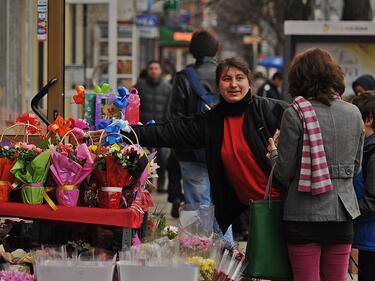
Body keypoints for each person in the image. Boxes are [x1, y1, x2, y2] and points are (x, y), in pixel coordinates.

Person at [125, 58, 287, 237]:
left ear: (249, 82)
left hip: (285, 205)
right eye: (226, 79)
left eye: (239, 78)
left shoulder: (271, 111)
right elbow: (171, 131)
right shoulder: (213, 121)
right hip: (253, 210)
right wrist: (126, 132)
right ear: (218, 85)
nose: (233, 84)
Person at [267, 48, 364, 281]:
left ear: (299, 78)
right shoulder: (354, 113)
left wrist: (273, 153)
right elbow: (357, 166)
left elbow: (285, 171)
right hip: (342, 213)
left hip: (303, 215)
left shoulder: (295, 113)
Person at [167, 30, 219, 210]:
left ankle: (199, 239)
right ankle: (224, 239)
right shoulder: (228, 75)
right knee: (223, 204)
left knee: (198, 205)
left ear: (192, 51)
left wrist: (178, 150)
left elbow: (175, 117)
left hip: (191, 151)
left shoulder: (184, 77)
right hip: (224, 151)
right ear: (215, 50)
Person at [134, 60, 172, 192]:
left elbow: (170, 107)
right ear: (148, 70)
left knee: (162, 157)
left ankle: (161, 184)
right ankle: (147, 183)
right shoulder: (140, 85)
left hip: (161, 126)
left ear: (160, 71)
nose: (154, 71)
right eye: (151, 68)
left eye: (156, 68)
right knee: (145, 156)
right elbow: (133, 105)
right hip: (144, 127)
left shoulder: (167, 87)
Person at [352, 92, 375, 281]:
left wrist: (345, 212)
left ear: (368, 119)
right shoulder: (366, 148)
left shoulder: (373, 153)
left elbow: (372, 201)